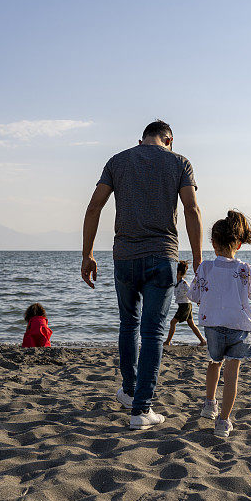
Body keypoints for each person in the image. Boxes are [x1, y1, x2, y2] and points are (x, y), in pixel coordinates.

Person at [81, 120, 203, 431]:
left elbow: (94, 208)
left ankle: (130, 390)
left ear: (141, 140)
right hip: (162, 255)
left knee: (128, 325)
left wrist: (87, 255)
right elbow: (191, 210)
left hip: (123, 256)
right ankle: (141, 409)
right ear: (169, 140)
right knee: (152, 333)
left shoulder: (118, 161)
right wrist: (199, 259)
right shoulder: (179, 162)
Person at [188, 210, 251, 439]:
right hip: (239, 328)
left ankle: (209, 403)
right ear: (239, 245)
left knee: (214, 363)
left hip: (213, 326)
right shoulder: (245, 269)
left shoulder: (205, 268)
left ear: (213, 243)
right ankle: (223, 422)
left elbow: (194, 295)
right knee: (232, 374)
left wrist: (208, 296)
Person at [164, 260, 207, 346]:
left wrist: (198, 300)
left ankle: (168, 341)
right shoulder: (176, 282)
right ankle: (202, 341)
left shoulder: (183, 283)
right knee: (191, 324)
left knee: (173, 322)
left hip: (185, 306)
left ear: (179, 272)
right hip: (184, 305)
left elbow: (191, 292)